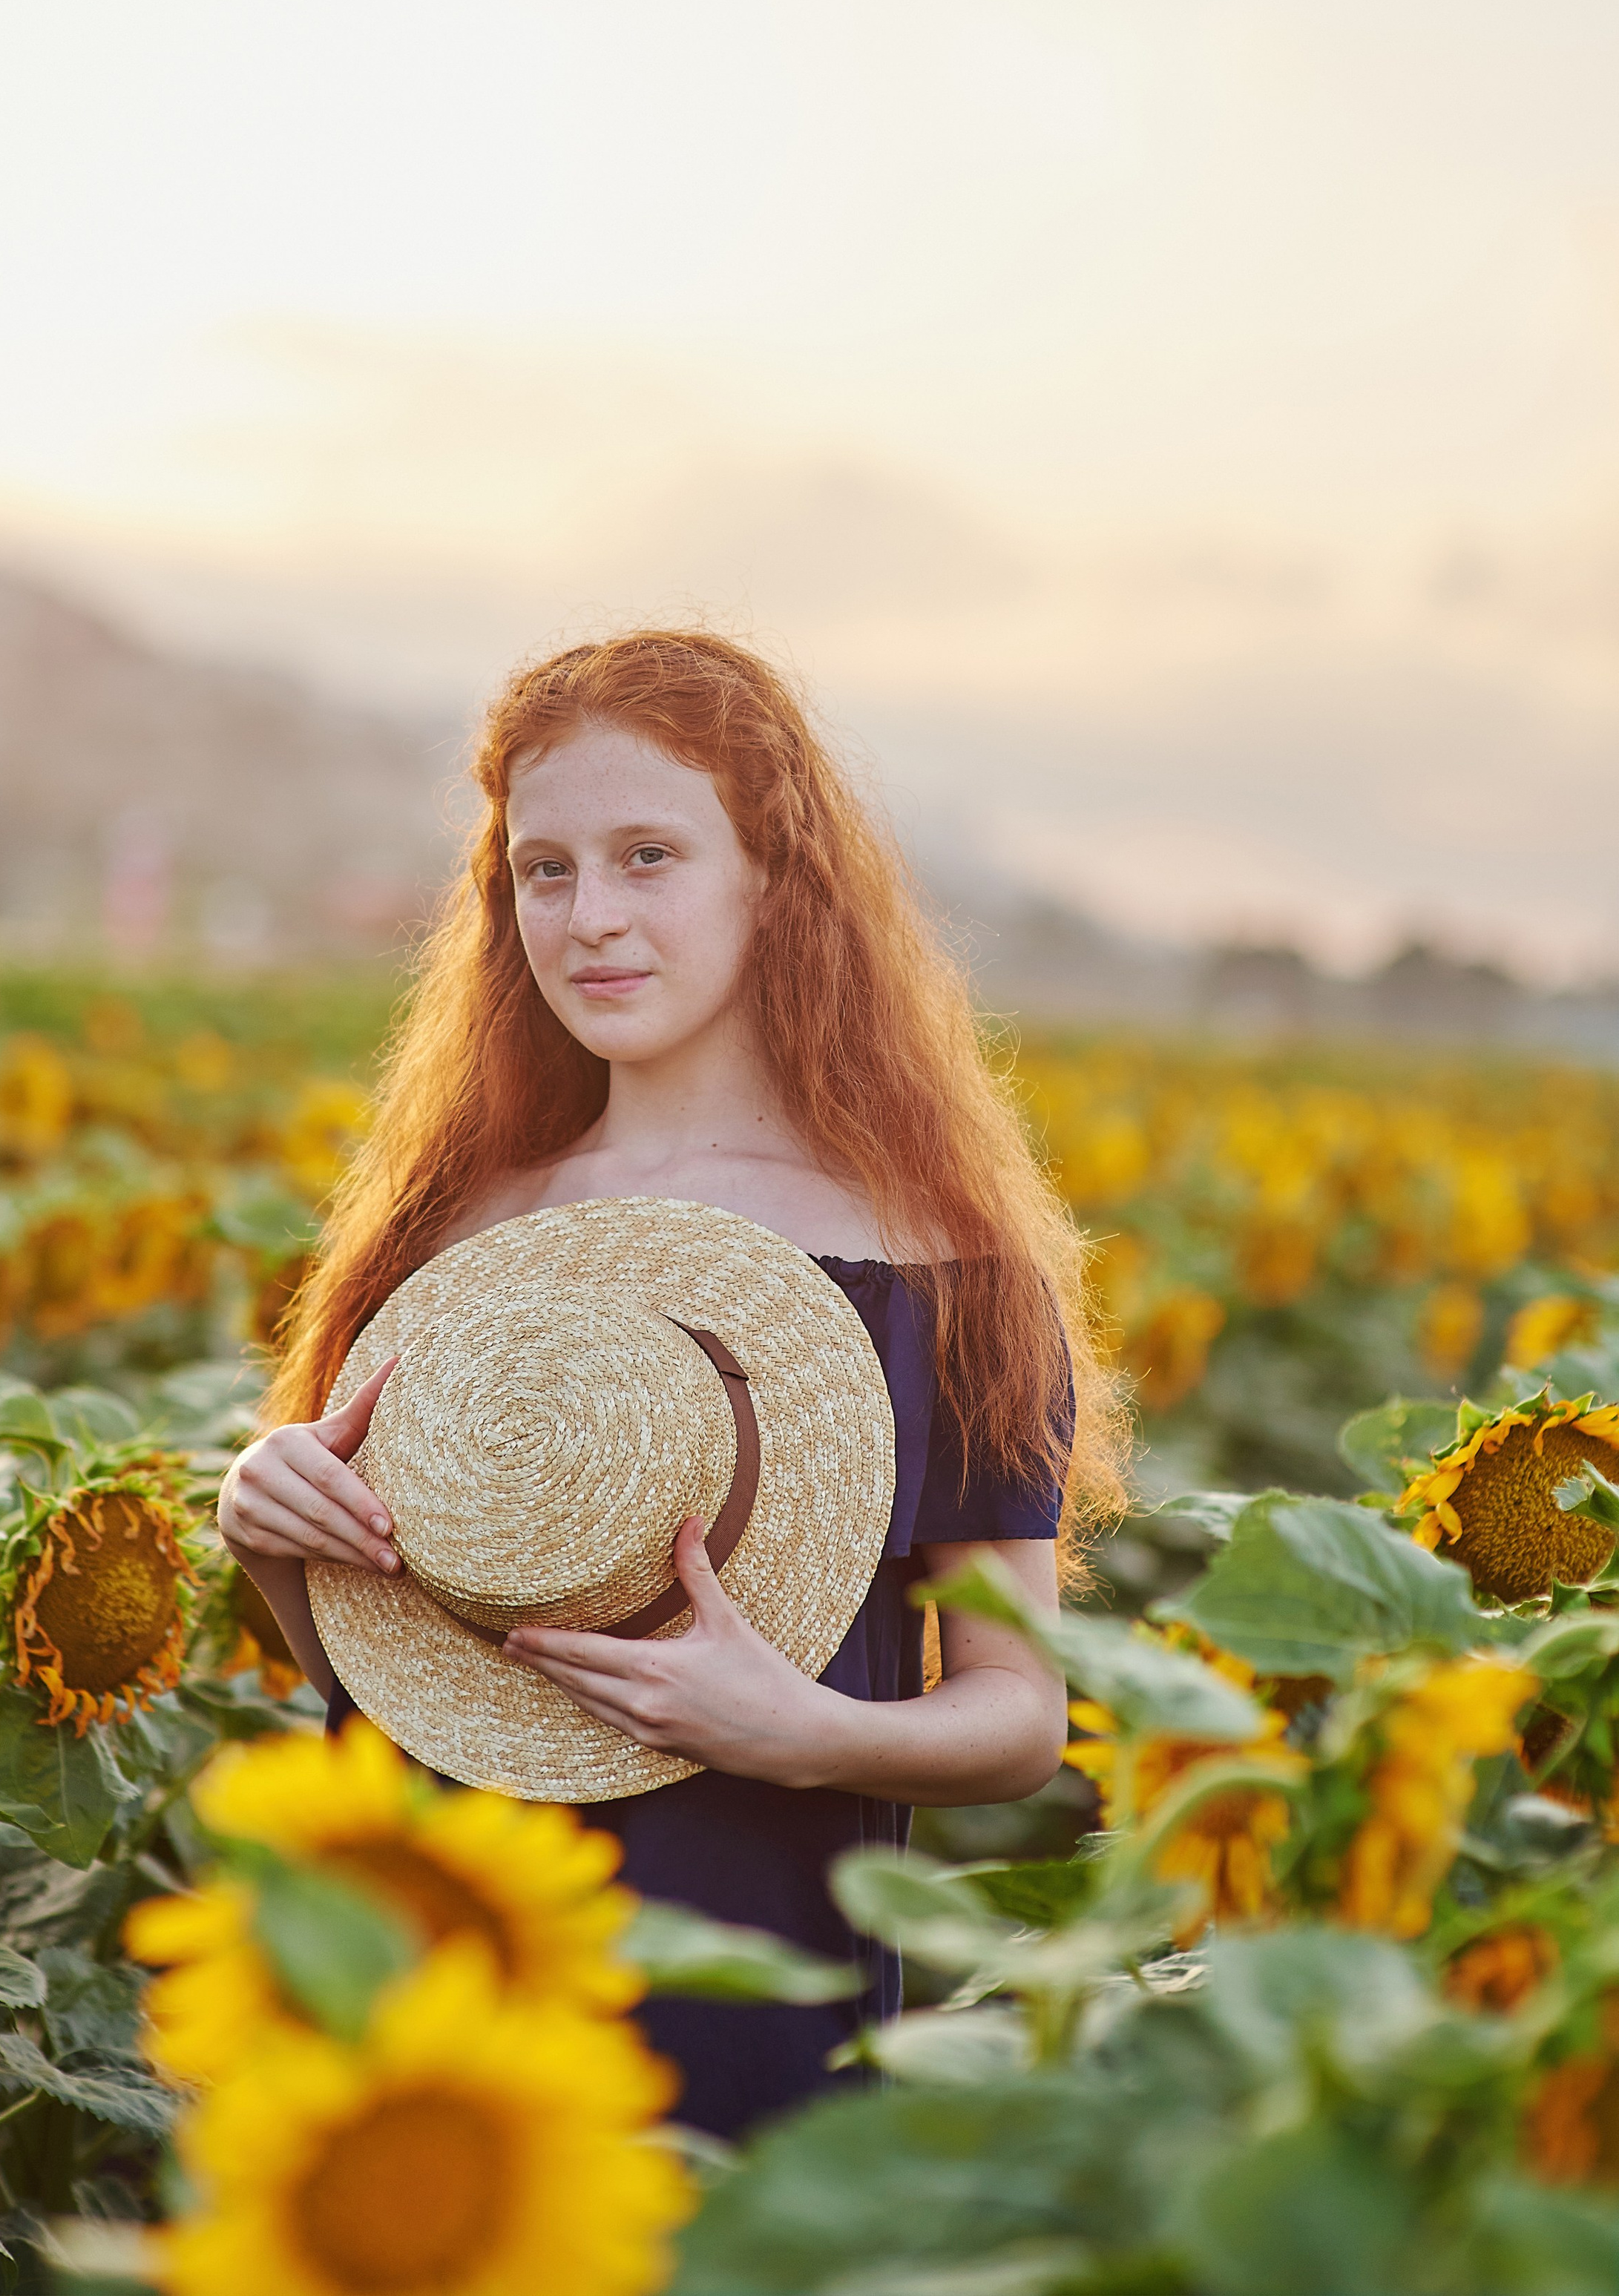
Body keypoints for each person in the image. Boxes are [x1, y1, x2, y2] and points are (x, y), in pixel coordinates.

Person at [217, 628, 1126, 2136]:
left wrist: (803, 1731)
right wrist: (270, 1532)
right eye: (544, 868)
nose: (589, 918)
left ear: (773, 877)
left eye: (648, 855)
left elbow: (1018, 1713)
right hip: (422, 1964)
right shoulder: (451, 1223)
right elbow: (380, 1683)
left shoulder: (942, 1272)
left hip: (747, 1981)